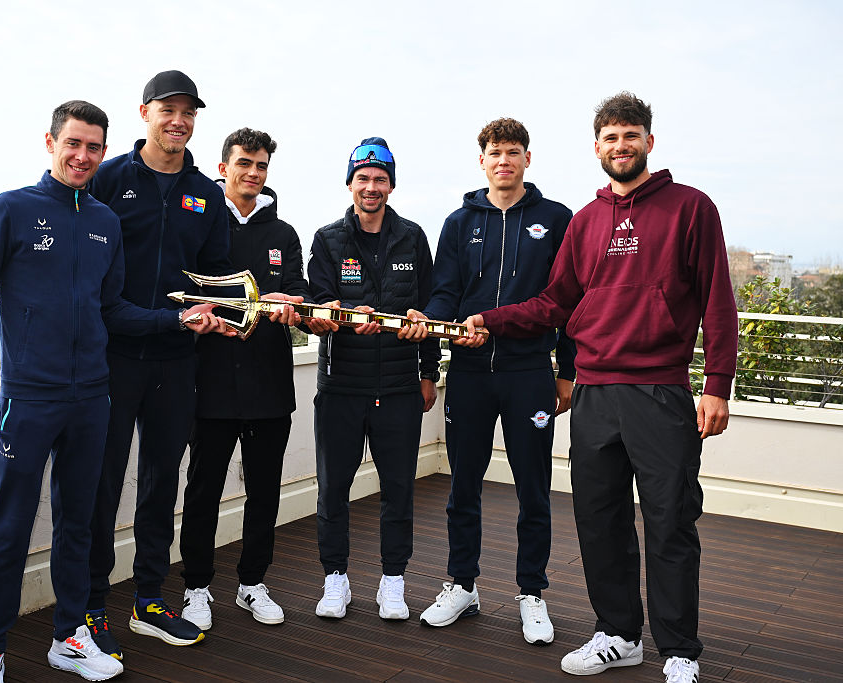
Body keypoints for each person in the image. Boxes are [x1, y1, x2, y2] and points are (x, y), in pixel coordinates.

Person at [461, 92, 737, 683]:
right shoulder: (585, 223)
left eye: (630, 136)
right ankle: (618, 634)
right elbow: (555, 303)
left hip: (660, 392)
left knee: (669, 522)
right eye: (610, 138)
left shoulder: (690, 208)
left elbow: (718, 300)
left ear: (649, 142)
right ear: (596, 148)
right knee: (600, 521)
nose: (621, 147)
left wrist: (716, 384)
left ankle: (679, 650)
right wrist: (493, 319)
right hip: (593, 393)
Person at [0, 100, 174, 682]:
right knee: (10, 527)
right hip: (30, 398)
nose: (83, 156)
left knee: (80, 523)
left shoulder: (104, 221)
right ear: (50, 143)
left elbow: (115, 309)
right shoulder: (11, 209)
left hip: (90, 399)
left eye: (94, 147)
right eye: (73, 143)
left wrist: (180, 320)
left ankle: (69, 637)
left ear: (104, 151)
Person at [402, 118, 574, 645]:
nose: (504, 160)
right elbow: (444, 295)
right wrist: (427, 330)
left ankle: (532, 593)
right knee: (463, 487)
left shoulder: (556, 219)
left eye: (513, 151)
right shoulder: (459, 222)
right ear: (482, 160)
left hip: (528, 373)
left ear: (528, 159)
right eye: (495, 152)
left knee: (533, 490)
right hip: (471, 373)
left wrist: (566, 371)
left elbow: (567, 302)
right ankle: (462, 585)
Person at [84, 70, 234, 656]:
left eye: (188, 112)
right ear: (143, 112)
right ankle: (92, 606)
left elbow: (215, 276)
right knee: (101, 485)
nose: (178, 120)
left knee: (159, 484)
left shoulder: (206, 193)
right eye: (167, 109)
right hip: (113, 357)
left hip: (177, 360)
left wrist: (222, 306)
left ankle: (148, 600)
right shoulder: (109, 177)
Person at [178, 127, 309, 630]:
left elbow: (298, 294)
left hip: (270, 387)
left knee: (265, 492)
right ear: (223, 167)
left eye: (261, 166)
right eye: (244, 164)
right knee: (203, 491)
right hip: (208, 386)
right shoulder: (203, 225)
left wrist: (290, 304)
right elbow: (184, 291)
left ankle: (253, 584)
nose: (252, 173)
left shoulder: (284, 235)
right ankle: (196, 587)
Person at [306, 137, 440, 621]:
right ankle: (335, 580)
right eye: (362, 178)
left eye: (380, 179)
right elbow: (316, 303)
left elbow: (428, 308)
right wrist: (338, 313)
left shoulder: (413, 237)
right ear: (350, 183)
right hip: (341, 386)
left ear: (391, 185)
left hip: (401, 388)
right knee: (332, 490)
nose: (371, 186)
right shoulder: (327, 239)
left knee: (398, 490)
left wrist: (430, 373)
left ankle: (393, 583)